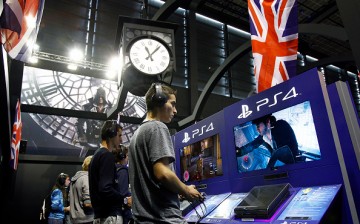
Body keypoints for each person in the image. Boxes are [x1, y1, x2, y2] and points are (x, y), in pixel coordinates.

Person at [129, 83, 203, 223]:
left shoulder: (137, 135)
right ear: (159, 100)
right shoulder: (157, 127)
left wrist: (176, 190)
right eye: (172, 104)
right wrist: (186, 190)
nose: (175, 111)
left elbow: (151, 181)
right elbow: (162, 172)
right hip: (164, 219)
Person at [89, 120, 124, 224]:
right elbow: (105, 188)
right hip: (110, 216)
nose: (121, 140)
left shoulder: (97, 155)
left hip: (100, 216)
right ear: (112, 134)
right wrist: (124, 200)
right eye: (119, 135)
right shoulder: (107, 156)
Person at [235, 114, 300, 168]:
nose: (257, 129)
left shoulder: (280, 125)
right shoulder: (263, 137)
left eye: (258, 126)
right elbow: (251, 146)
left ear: (268, 121)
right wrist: (238, 152)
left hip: (294, 164)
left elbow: (284, 150)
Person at [76, 87, 112, 157]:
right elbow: (79, 124)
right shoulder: (86, 107)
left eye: (102, 96)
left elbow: (113, 126)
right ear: (95, 96)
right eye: (99, 96)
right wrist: (82, 135)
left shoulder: (111, 109)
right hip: (89, 140)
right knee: (84, 162)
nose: (100, 98)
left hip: (104, 142)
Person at [69, 156, 94, 224]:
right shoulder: (86, 178)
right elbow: (88, 204)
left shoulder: (75, 179)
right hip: (87, 219)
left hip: (75, 219)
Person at [113, 144, 133, 224]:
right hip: (121, 214)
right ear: (122, 156)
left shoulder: (112, 168)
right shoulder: (122, 171)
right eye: (127, 155)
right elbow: (123, 193)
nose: (128, 158)